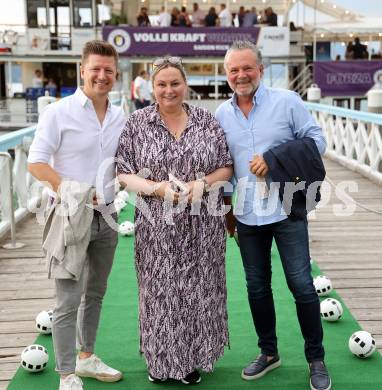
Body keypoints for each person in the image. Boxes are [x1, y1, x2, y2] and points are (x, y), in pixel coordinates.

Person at [215, 41, 332, 390]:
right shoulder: (221, 114)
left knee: (302, 286)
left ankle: (316, 359)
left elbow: (318, 142)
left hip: (287, 208)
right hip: (247, 214)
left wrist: (274, 156)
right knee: (256, 287)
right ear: (226, 74)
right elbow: (225, 167)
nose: (241, 75)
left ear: (261, 70)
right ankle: (269, 352)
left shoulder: (288, 102)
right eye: (234, 70)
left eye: (247, 68)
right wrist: (226, 212)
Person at [117, 56, 233, 385]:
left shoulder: (207, 122)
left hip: (202, 223)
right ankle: (160, 361)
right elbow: (123, 173)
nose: (169, 90)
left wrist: (202, 184)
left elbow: (226, 166)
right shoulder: (136, 123)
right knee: (159, 291)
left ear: (185, 85)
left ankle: (190, 361)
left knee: (198, 289)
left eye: (175, 83)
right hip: (156, 225)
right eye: (162, 84)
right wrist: (157, 189)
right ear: (151, 87)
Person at [27, 40, 126, 390]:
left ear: (116, 75)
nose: (102, 75)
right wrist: (71, 189)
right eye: (95, 69)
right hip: (70, 216)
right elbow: (36, 162)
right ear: (81, 69)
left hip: (108, 216)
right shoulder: (58, 112)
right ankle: (66, 374)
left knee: (96, 293)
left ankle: (87, 358)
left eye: (108, 70)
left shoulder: (120, 116)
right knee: (68, 299)